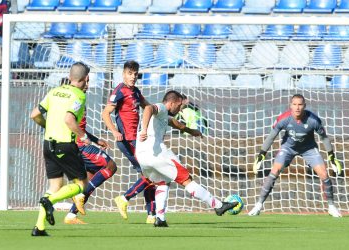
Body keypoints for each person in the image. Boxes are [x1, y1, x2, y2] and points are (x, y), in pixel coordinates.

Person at [135, 90, 238, 227]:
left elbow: (177, 124)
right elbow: (148, 108)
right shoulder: (161, 107)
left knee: (162, 182)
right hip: (156, 153)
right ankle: (218, 205)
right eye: (179, 106)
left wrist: (191, 131)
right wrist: (143, 130)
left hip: (142, 156)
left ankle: (160, 218)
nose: (179, 110)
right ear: (172, 102)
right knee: (186, 180)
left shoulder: (164, 115)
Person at [249, 94, 343, 218]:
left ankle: (331, 206)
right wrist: (261, 155)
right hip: (288, 148)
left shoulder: (313, 120)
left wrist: (331, 156)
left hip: (309, 149)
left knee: (324, 175)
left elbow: (324, 138)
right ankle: (258, 205)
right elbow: (271, 137)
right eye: (294, 104)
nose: (297, 107)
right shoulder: (284, 118)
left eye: (300, 104)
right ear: (290, 106)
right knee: (274, 171)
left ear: (304, 106)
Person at [29, 62, 91, 236]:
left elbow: (34, 114)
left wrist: (48, 126)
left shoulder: (54, 91)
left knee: (55, 184)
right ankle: (50, 201)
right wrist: (83, 137)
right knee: (81, 184)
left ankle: (39, 227)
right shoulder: (79, 95)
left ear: (70, 77)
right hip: (65, 145)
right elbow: (69, 119)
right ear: (86, 79)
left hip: (48, 144)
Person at [56, 78, 118, 225]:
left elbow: (79, 128)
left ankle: (71, 215)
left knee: (89, 180)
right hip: (79, 146)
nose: (87, 85)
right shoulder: (76, 101)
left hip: (75, 145)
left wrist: (96, 140)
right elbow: (71, 124)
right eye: (85, 81)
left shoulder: (69, 102)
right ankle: (79, 197)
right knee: (111, 166)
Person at [102, 60, 156, 223]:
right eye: (130, 74)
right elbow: (105, 113)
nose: (133, 77)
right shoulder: (119, 91)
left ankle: (151, 215)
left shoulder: (136, 92)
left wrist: (160, 113)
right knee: (150, 173)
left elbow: (148, 107)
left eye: (135, 74)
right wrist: (114, 131)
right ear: (123, 74)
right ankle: (124, 198)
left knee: (148, 174)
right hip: (127, 140)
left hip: (137, 140)